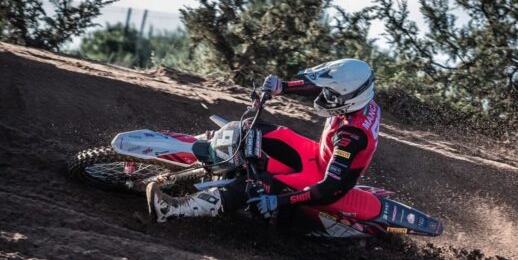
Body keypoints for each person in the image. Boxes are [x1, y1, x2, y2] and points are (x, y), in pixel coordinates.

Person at [146, 58, 382, 223]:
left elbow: (328, 187)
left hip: (322, 182)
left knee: (254, 185)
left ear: (350, 98)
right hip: (316, 154)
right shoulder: (360, 97)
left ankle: (174, 209)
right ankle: (192, 149)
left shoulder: (351, 137)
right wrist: (283, 87)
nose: (325, 97)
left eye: (332, 96)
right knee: (251, 128)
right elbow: (318, 85)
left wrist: (277, 201)